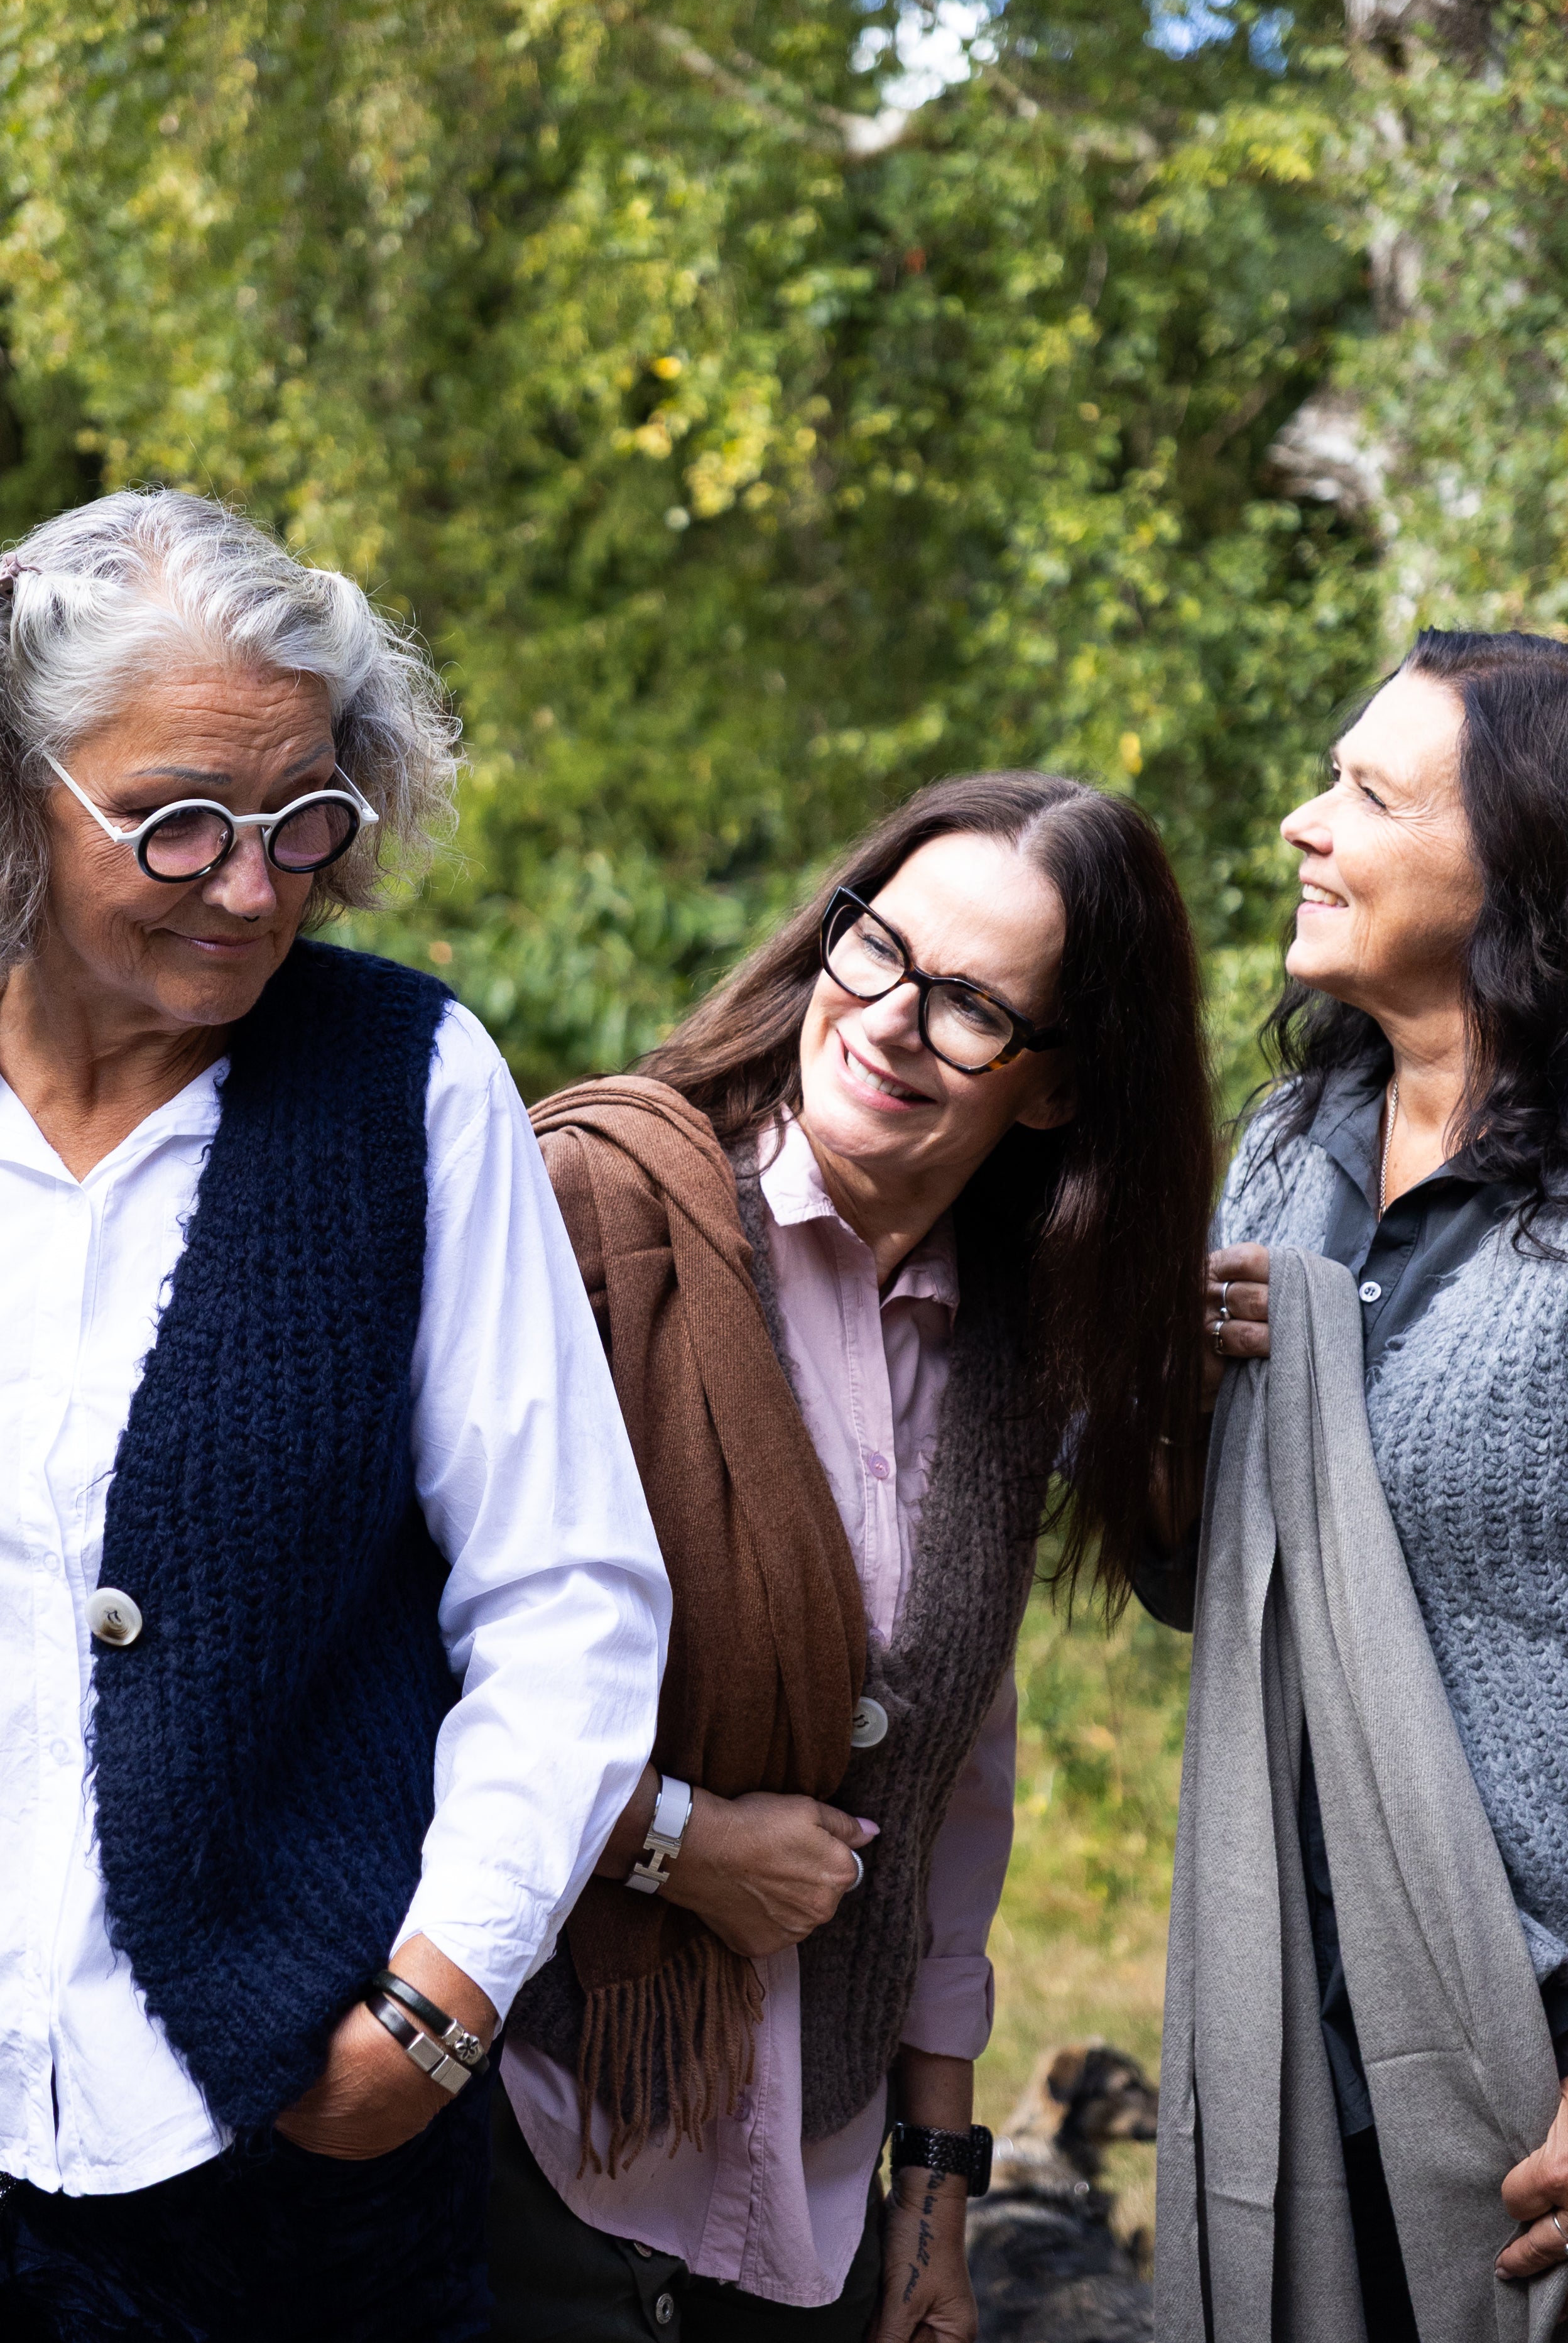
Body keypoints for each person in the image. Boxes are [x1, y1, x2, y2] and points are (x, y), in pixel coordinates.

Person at [0, 490, 670, 2343]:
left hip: (286, 2159)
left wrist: (442, 2003)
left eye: (305, 818)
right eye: (179, 823)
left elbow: (568, 1591)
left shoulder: (407, 1086)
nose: (254, 888)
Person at [487, 770, 1216, 2342]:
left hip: (815, 2193)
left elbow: (954, 1792)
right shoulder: (598, 1217)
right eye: (876, 947)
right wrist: (675, 1842)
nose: (889, 1019)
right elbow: (396, 1662)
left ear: (1058, 1089)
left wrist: (934, 2191)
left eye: (973, 1007)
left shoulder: (1017, 1354)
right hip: (535, 2136)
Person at [1158, 630, 1568, 2336]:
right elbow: (1196, 1577)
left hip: (1527, 2038)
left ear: (1522, 868)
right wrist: (1172, 1400)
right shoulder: (1284, 1149)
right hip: (1293, 2009)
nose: (1303, 824)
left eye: (1372, 796)